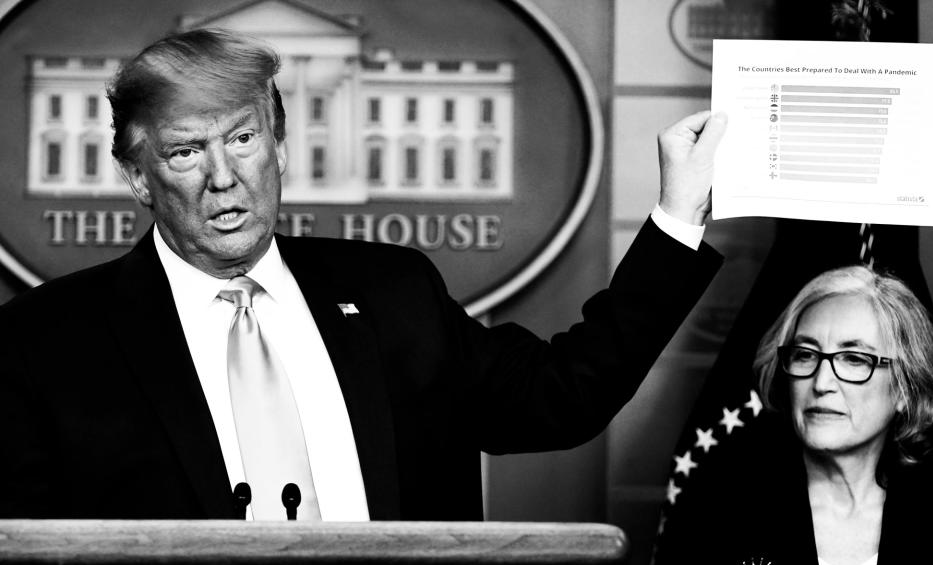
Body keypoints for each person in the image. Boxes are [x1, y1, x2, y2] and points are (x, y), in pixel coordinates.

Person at [0, 28, 726, 521]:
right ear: (136, 176)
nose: (224, 178)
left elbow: (563, 397)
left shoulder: (393, 295)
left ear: (279, 147)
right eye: (186, 152)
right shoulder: (44, 342)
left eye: (244, 138)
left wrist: (678, 215)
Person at [630, 265, 933, 565]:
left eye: (854, 359)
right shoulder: (723, 501)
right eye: (805, 354)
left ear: (905, 388)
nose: (821, 382)